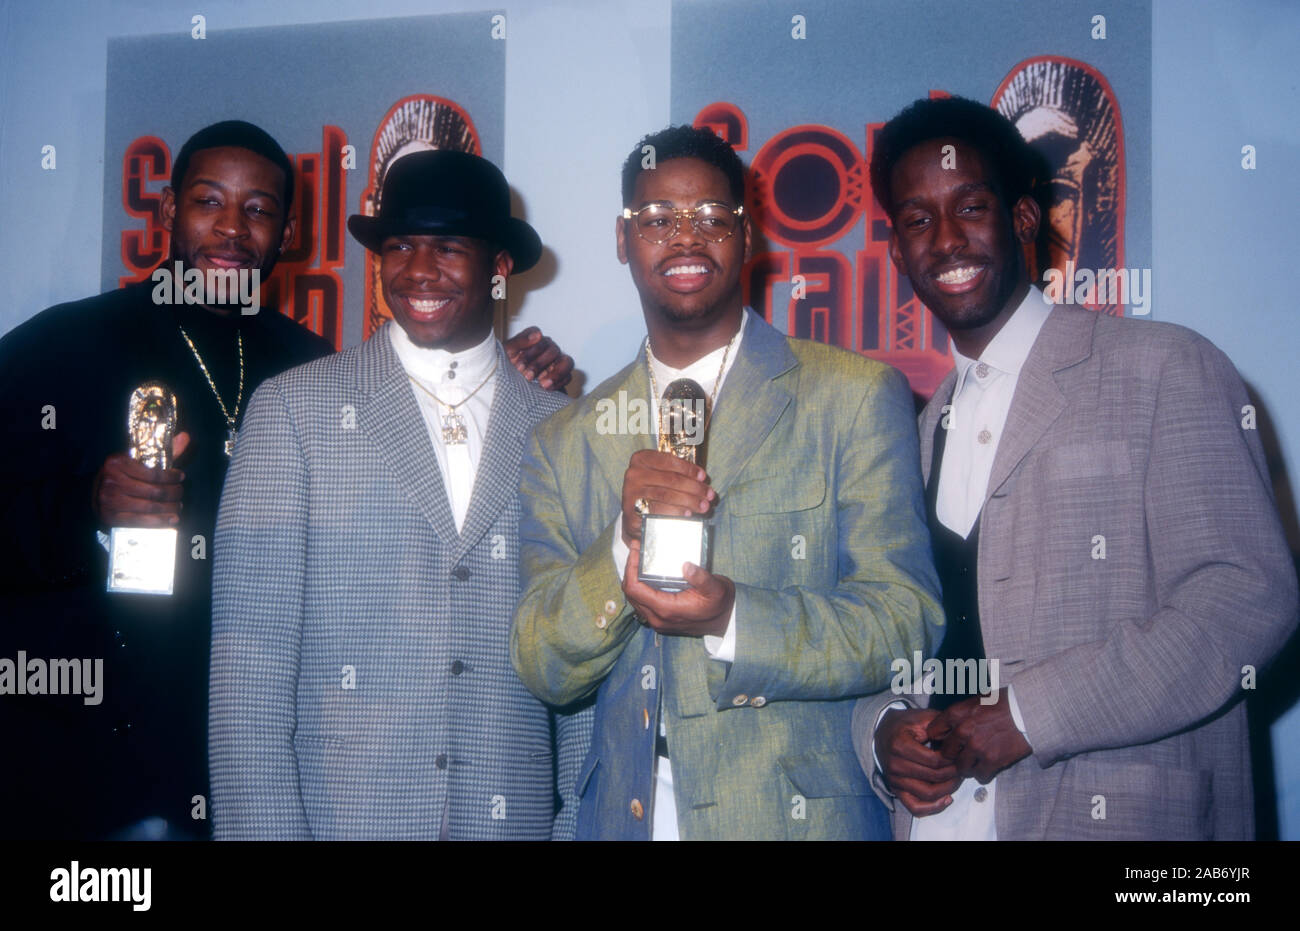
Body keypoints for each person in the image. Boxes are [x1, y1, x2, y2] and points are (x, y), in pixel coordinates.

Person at [0, 121, 571, 841]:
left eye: (259, 209)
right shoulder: (65, 344)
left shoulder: (304, 362)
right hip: (84, 758)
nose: (232, 228)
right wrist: (80, 508)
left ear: (288, 231)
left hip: (249, 762)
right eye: (209, 201)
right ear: (169, 212)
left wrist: (519, 388)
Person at [853, 96, 1298, 839]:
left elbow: (1247, 596)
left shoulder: (1164, 367)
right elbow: (889, 632)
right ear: (897, 252)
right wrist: (882, 730)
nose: (947, 240)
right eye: (918, 221)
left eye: (971, 206)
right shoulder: (916, 428)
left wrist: (1029, 714)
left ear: (1025, 220)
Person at [511, 125, 943, 840]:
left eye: (713, 217)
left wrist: (730, 618)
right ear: (623, 240)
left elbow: (905, 621)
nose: (685, 238)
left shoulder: (854, 396)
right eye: (656, 220)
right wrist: (622, 547)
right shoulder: (564, 438)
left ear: (751, 238)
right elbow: (541, 664)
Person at [208, 149, 589, 840]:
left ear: (499, 266)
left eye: (447, 247)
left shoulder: (560, 428)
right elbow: (247, 672)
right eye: (399, 246)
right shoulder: (293, 410)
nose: (418, 270)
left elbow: (585, 672)